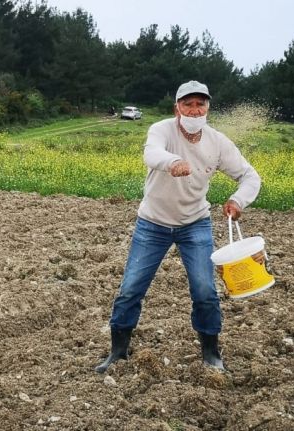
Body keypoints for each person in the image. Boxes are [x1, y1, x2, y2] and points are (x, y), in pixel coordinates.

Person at [95, 80, 261, 373]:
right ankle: (118, 352)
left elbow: (250, 176)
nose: (195, 111)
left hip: (194, 224)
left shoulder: (218, 142)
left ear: (208, 108)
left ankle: (211, 352)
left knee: (205, 290)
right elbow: (151, 153)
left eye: (200, 105)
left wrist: (238, 201)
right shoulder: (162, 130)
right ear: (177, 108)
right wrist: (172, 162)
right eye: (188, 104)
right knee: (131, 288)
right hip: (153, 223)